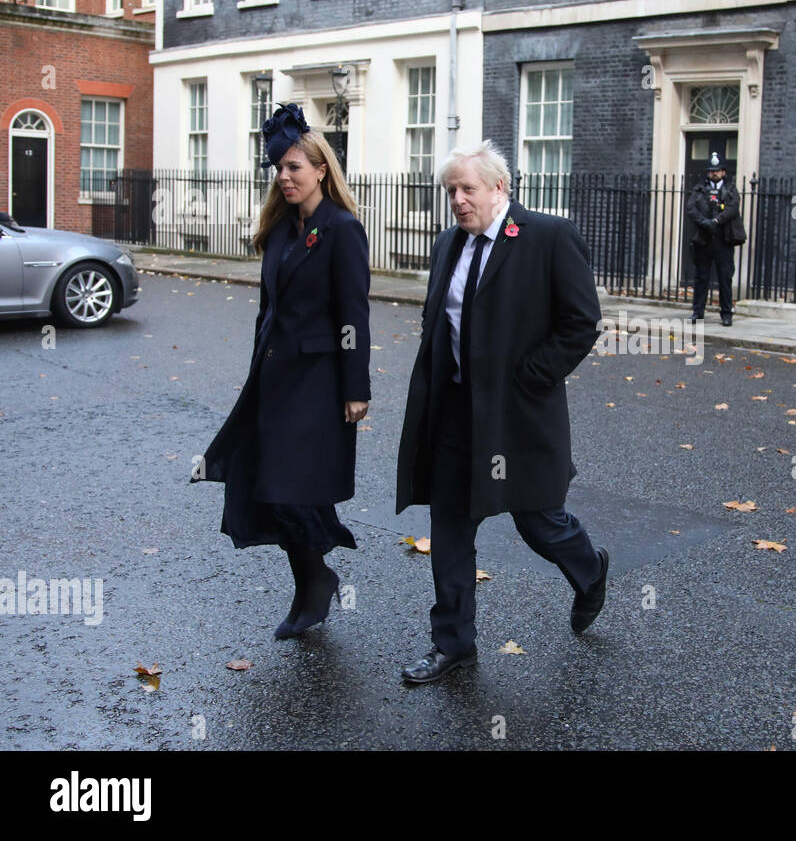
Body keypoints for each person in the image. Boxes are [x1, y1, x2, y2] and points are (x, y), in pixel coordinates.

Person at [394, 140, 608, 684]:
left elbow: (581, 322)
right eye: (450, 191)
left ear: (499, 188)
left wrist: (532, 376)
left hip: (516, 418)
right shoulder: (448, 244)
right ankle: (453, 643)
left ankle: (589, 571)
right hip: (456, 417)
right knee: (450, 530)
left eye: (467, 188)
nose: (458, 200)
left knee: (538, 522)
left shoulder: (547, 237)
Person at [194, 103, 371, 640]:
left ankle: (315, 581)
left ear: (321, 169)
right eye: (279, 168)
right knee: (269, 485)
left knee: (294, 487)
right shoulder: (277, 230)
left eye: (295, 167)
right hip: (274, 379)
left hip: (317, 384)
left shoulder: (341, 229)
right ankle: (312, 580)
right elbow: (267, 309)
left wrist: (355, 386)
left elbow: (353, 313)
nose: (285, 177)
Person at [685, 152, 742, 326]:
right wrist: (705, 222)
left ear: (724, 172)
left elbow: (733, 208)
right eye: (712, 171)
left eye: (718, 171)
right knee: (701, 277)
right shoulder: (699, 188)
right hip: (703, 240)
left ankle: (726, 314)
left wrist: (717, 220)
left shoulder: (731, 189)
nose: (714, 173)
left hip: (723, 240)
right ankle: (697, 312)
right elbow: (690, 208)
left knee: (725, 278)